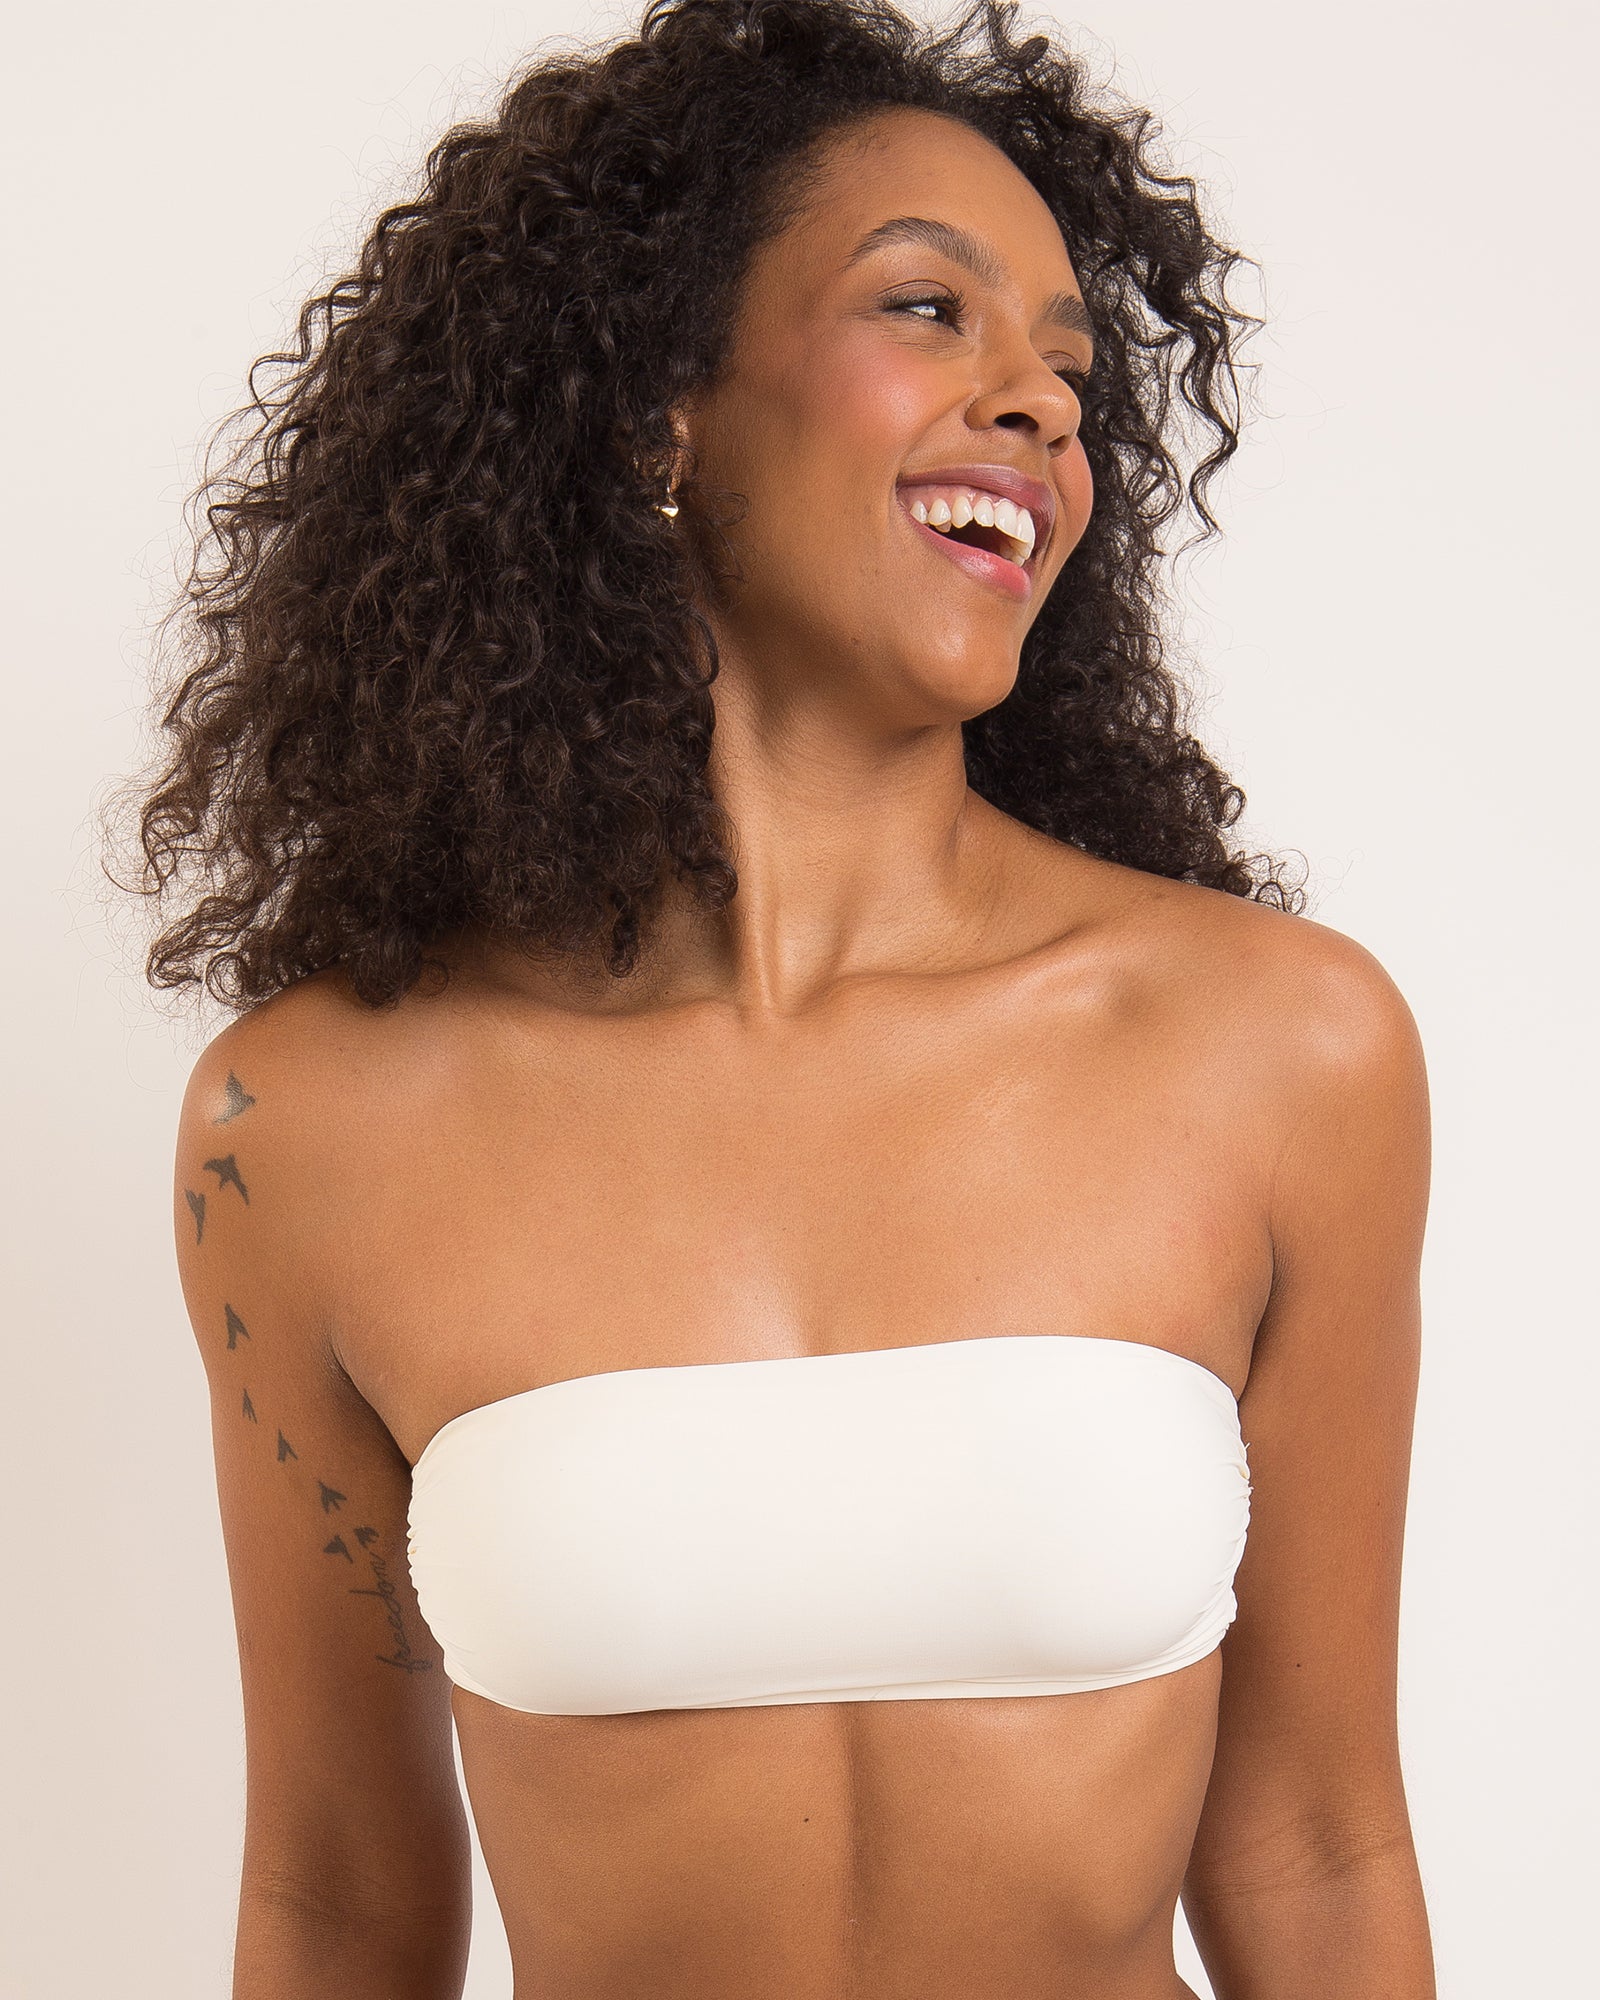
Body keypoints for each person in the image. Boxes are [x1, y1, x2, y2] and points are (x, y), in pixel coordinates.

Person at [120, 0, 1436, 1991]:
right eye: (928, 308)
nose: (1038, 401)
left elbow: (1316, 1848)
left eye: (1069, 367)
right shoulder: (300, 1131)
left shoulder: (1279, 1052)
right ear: (655, 410)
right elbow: (335, 1896)